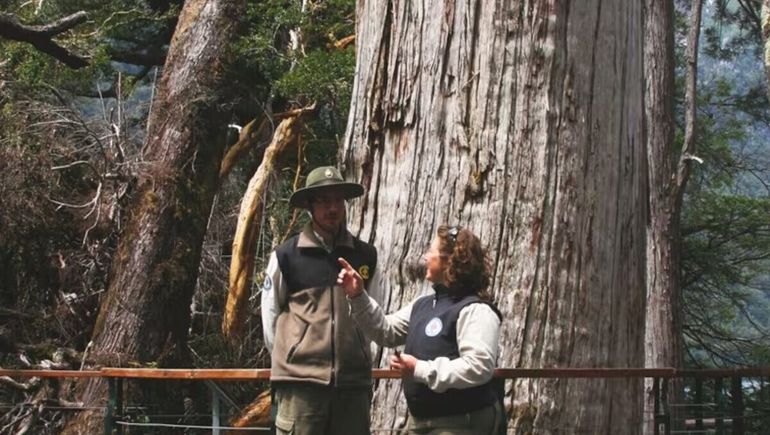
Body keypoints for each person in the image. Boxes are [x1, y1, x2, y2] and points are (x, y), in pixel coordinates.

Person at [337, 225, 503, 435]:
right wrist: (358, 296)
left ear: (449, 260)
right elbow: (385, 331)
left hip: (462, 423)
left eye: (430, 251)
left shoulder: (475, 310)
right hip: (421, 422)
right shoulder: (423, 305)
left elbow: (479, 366)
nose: (425, 257)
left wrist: (420, 369)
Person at [261, 166, 378, 435]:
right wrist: (290, 357)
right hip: (301, 386)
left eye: (338, 200)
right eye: (324, 201)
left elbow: (374, 315)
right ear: (310, 206)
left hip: (352, 386)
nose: (333, 208)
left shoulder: (365, 256)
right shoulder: (286, 256)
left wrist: (358, 353)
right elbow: (270, 316)